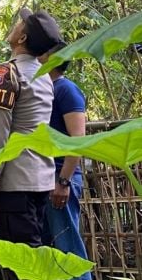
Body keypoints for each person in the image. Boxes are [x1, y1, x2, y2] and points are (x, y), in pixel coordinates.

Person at [0, 8, 62, 279]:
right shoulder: (45, 77)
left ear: (22, 37)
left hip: (14, 183)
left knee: (19, 266)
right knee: (33, 257)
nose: (14, 26)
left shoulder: (7, 73)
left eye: (18, 24)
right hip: (40, 179)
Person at [39, 43, 92, 280]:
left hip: (60, 178)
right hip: (43, 178)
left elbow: (77, 141)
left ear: (51, 58)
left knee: (68, 248)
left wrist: (64, 181)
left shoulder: (66, 90)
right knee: (50, 249)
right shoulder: (45, 90)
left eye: (40, 51)